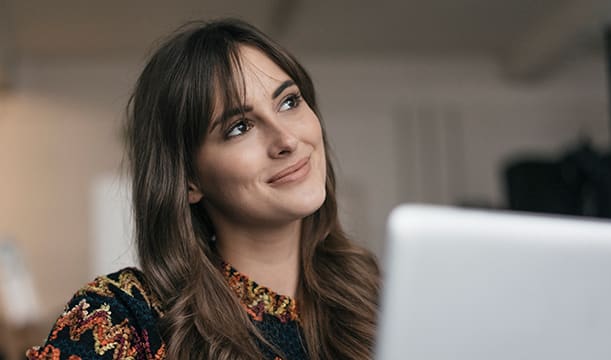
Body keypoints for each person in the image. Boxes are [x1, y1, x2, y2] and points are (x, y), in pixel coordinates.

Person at [26, 18, 380, 360]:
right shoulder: (123, 319)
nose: (287, 140)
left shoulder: (381, 299)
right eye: (240, 127)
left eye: (289, 102)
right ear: (188, 180)